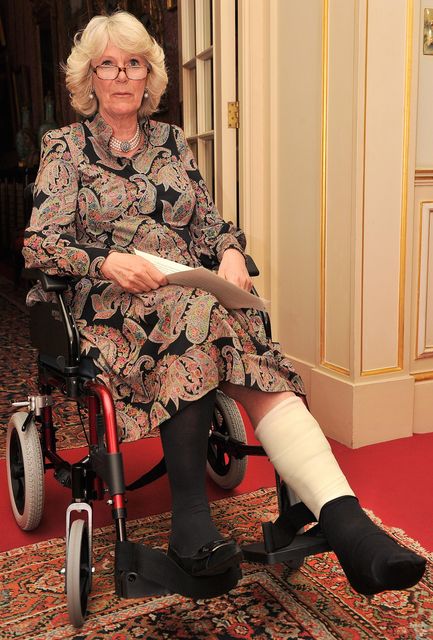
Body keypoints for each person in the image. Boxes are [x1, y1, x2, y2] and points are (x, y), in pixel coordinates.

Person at [23, 11, 425, 593]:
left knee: (224, 311)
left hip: (183, 294)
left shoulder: (170, 142)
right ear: (89, 78)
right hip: (106, 302)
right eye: (107, 64)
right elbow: (40, 243)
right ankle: (195, 525)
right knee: (200, 311)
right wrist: (104, 261)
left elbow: (210, 223)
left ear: (147, 76)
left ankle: (345, 523)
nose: (120, 76)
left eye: (133, 63)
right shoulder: (64, 148)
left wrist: (231, 252)